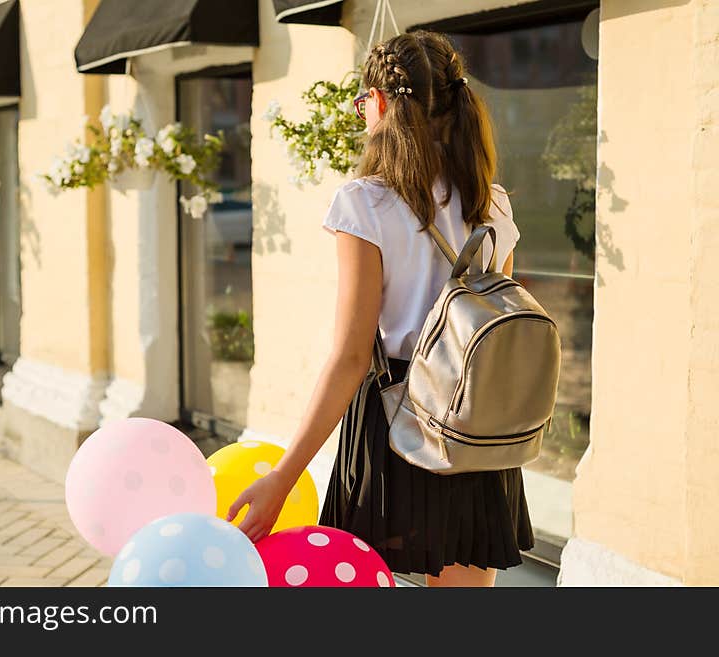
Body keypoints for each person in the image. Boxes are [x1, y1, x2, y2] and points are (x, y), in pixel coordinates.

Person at [226, 30, 533, 587]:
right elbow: (491, 325)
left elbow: (348, 358)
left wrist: (283, 478)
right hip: (476, 434)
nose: (362, 110)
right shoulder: (493, 202)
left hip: (398, 428)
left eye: (362, 99)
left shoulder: (366, 203)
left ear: (384, 102)